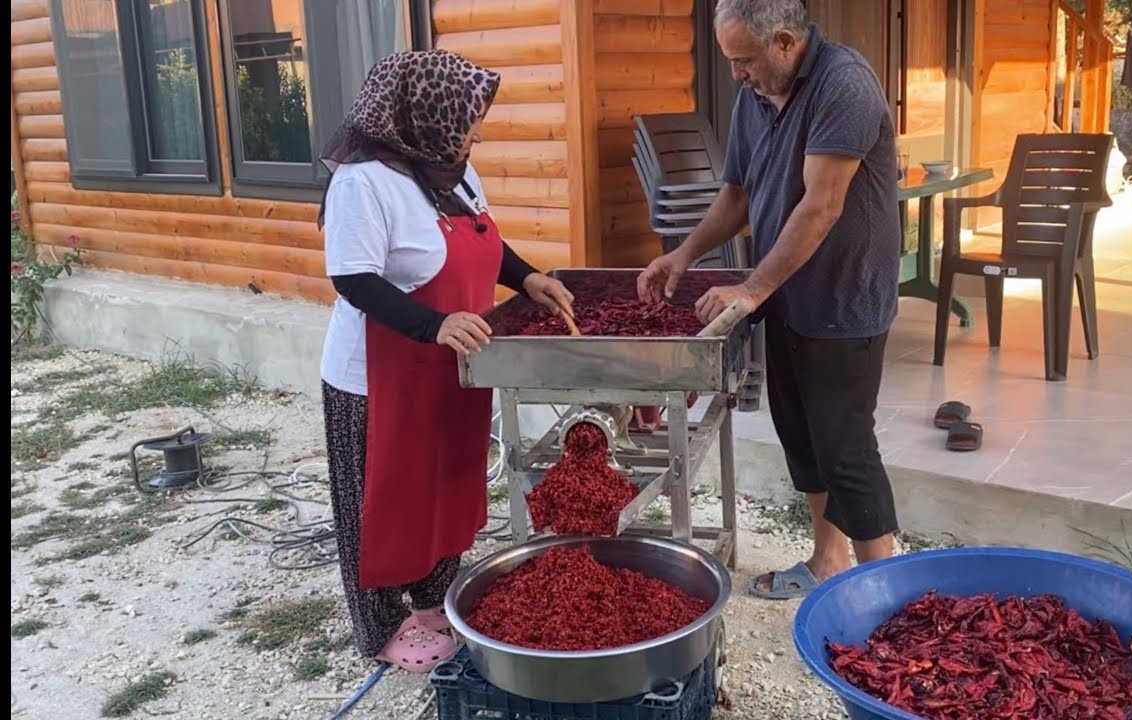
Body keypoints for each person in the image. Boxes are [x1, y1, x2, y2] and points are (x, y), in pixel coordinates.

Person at [317, 50, 575, 672]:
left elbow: (483, 237)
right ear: (424, 114)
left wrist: (528, 277)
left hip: (454, 362)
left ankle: (432, 598)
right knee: (380, 500)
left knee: (446, 484)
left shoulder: (450, 170)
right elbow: (353, 279)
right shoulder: (363, 182)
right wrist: (434, 325)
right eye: (470, 120)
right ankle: (379, 627)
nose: (477, 133)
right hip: (378, 375)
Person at [638, 0, 902, 600]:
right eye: (731, 61)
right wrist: (684, 255)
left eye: (744, 60)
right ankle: (830, 561)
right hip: (785, 294)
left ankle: (885, 597)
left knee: (847, 447)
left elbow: (822, 204)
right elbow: (736, 195)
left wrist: (751, 286)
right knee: (803, 437)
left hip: (844, 297)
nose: (736, 74)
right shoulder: (755, 95)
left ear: (784, 41)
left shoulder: (844, 84)